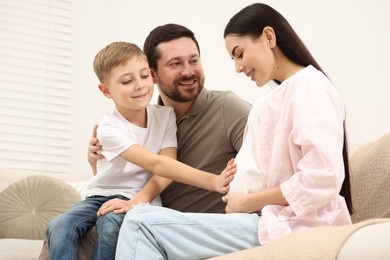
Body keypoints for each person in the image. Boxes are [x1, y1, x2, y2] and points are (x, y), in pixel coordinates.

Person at [114, 3, 353, 259]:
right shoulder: (274, 100)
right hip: (267, 219)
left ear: (269, 37)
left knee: (140, 222)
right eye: (233, 58)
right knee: (133, 220)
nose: (238, 67)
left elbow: (323, 178)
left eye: (240, 54)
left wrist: (247, 202)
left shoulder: (310, 88)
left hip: (287, 224)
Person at [45, 41, 236, 260]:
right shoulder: (108, 129)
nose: (139, 85)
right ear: (106, 90)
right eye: (127, 81)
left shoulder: (165, 117)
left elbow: (165, 169)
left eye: (144, 76)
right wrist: (213, 181)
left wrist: (133, 202)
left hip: (142, 198)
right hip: (100, 196)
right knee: (58, 226)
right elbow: (155, 163)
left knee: (109, 227)